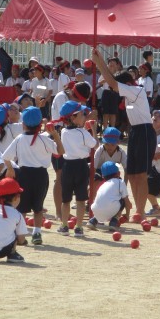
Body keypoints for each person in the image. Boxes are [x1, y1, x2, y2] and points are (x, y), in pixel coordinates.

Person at [91, 48, 156, 219]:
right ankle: (138, 211)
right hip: (135, 131)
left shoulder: (137, 90)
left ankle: (141, 212)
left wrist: (99, 62)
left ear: (126, 84)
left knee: (141, 175)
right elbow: (112, 82)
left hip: (145, 131)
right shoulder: (129, 94)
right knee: (133, 174)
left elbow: (112, 83)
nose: (116, 92)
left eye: (119, 88)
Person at [3, 106, 63, 245]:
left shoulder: (19, 139)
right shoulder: (45, 139)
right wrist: (56, 136)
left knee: (22, 208)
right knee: (38, 207)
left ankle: (20, 234)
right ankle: (37, 233)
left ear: (23, 124)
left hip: (23, 174)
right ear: (40, 124)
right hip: (41, 175)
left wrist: (10, 169)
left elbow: (6, 157)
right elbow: (60, 152)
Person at [55, 101, 98, 237]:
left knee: (66, 199)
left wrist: (83, 127)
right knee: (81, 198)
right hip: (81, 166)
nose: (85, 116)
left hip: (67, 166)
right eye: (82, 114)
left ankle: (64, 225)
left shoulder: (63, 132)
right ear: (73, 117)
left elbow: (75, 134)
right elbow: (95, 145)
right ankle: (79, 227)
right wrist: (94, 129)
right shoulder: (84, 133)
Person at [87, 161, 132, 232]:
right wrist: (127, 215)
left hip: (95, 210)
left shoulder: (103, 185)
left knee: (103, 203)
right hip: (111, 210)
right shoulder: (120, 182)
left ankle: (92, 221)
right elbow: (127, 201)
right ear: (118, 173)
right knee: (122, 200)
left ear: (103, 176)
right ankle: (114, 222)